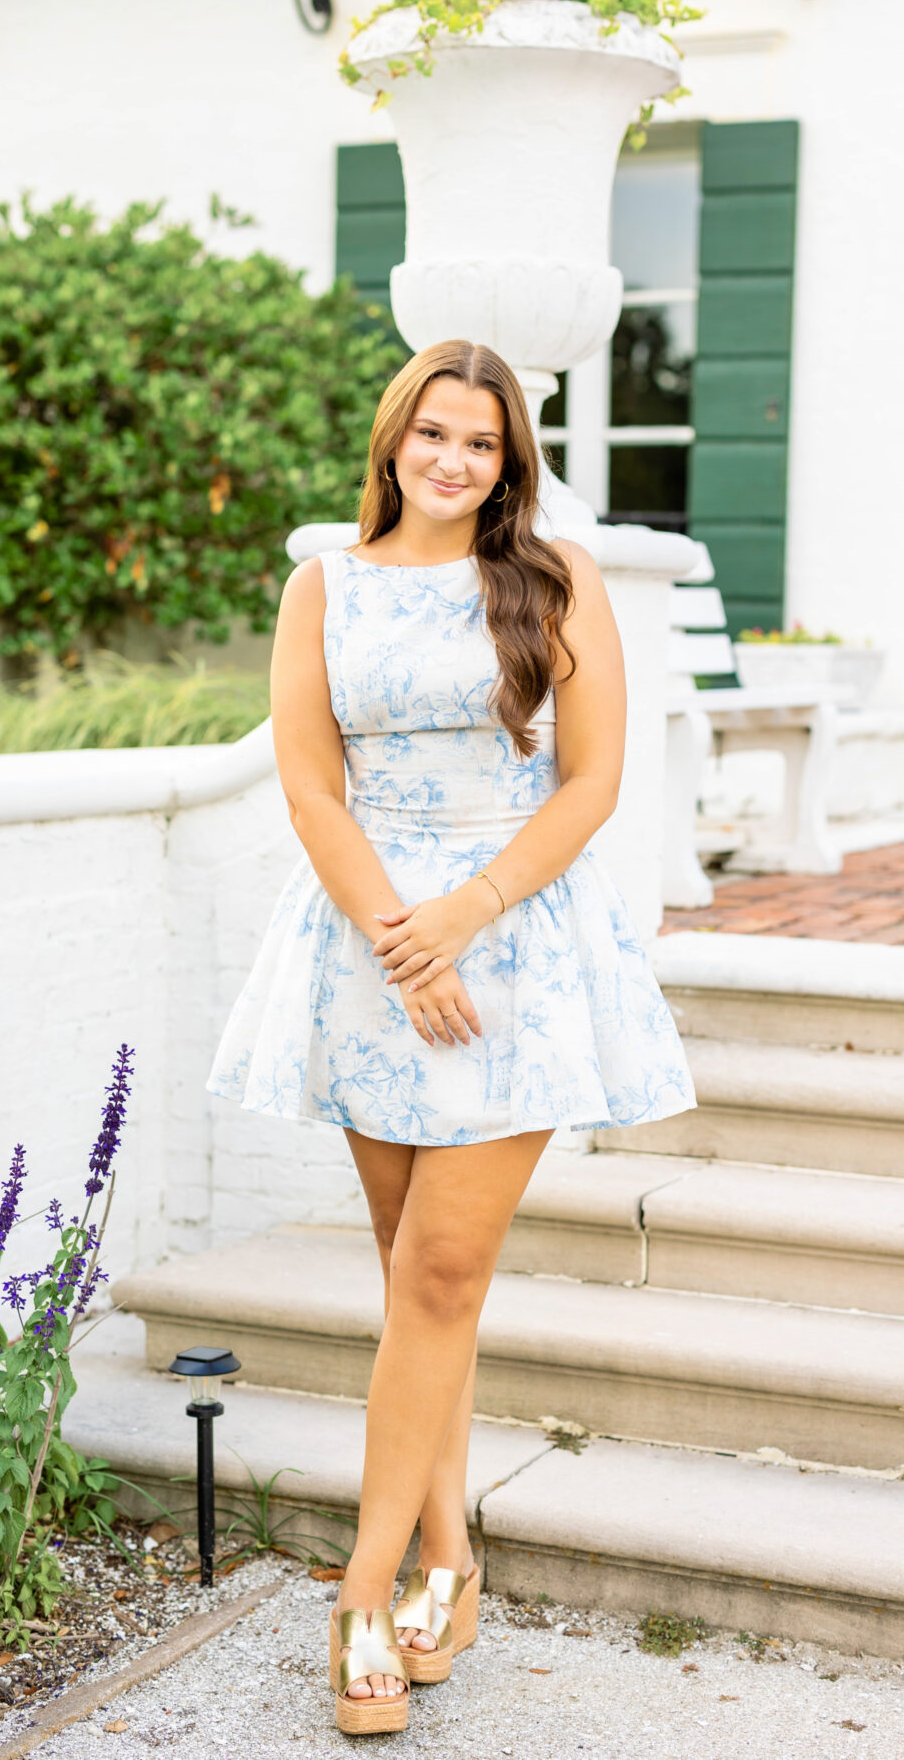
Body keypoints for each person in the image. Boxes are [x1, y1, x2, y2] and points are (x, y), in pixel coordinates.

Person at [207, 338, 696, 1734]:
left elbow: (593, 781)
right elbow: (312, 787)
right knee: (422, 1283)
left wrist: (464, 918)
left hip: (517, 945)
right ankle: (452, 1561)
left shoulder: (554, 580)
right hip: (370, 949)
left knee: (438, 1270)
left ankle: (362, 1596)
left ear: (508, 461)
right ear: (395, 439)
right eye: (434, 433)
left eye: (481, 442)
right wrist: (396, 938)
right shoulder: (324, 587)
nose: (454, 460)